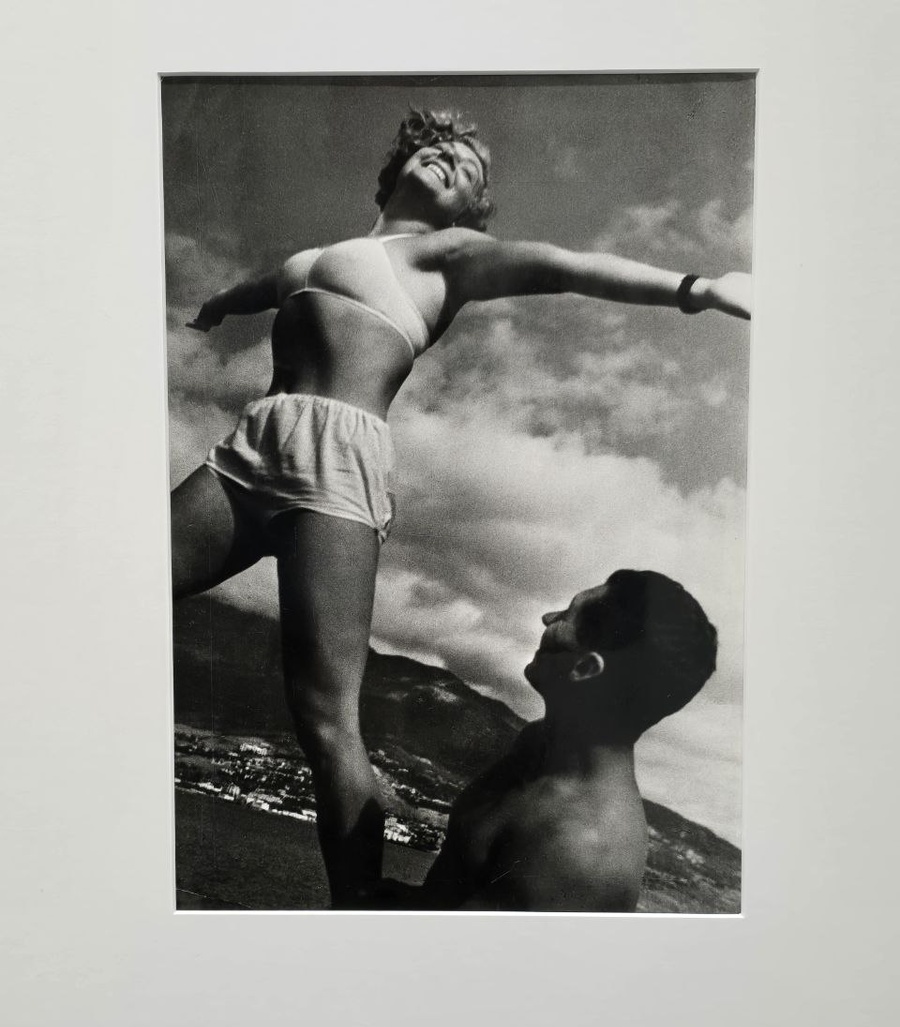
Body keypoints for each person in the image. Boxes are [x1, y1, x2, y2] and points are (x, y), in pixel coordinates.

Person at [173, 108, 749, 908]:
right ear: (400, 166)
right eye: (438, 149)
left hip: (338, 463)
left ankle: (355, 909)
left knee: (325, 718)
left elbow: (569, 267)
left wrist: (697, 290)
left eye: (468, 171)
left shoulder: (448, 257)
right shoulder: (313, 258)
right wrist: (218, 307)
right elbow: (264, 286)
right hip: (254, 445)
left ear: (469, 212)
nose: (449, 160)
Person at [368, 570, 718, 911]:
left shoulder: (579, 850)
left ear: (585, 668)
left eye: (566, 615)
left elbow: (452, 944)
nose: (547, 617)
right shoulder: (537, 745)